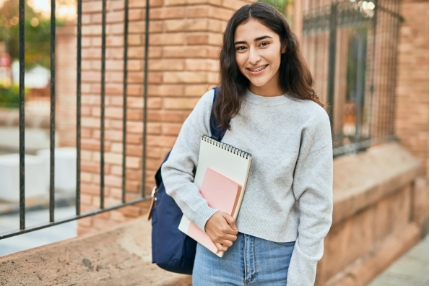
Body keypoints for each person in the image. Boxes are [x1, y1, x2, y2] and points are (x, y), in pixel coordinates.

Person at [161, 2, 333, 285]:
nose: (252, 57)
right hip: (215, 258)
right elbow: (174, 170)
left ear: (284, 44)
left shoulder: (310, 118)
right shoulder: (216, 104)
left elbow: (316, 208)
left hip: (279, 263)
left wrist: (301, 278)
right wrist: (205, 216)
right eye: (241, 48)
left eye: (263, 43)